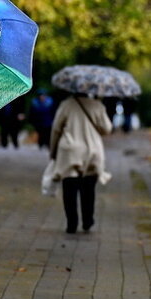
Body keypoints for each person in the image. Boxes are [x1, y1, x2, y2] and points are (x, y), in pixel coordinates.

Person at [47, 94, 113, 233]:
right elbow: (107, 129)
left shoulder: (66, 104)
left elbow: (56, 129)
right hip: (92, 151)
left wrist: (53, 151)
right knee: (88, 189)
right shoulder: (97, 105)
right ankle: (87, 220)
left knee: (69, 189)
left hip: (70, 151)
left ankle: (72, 223)